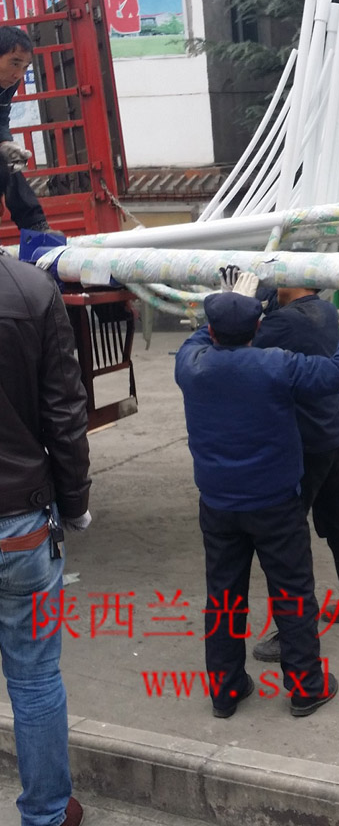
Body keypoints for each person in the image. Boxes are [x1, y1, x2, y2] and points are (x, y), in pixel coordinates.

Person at [174, 286, 339, 718]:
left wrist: (230, 299)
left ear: (212, 330)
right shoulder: (275, 366)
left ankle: (226, 690)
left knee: (223, 597)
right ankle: (306, 688)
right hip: (275, 503)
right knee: (293, 594)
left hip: (218, 504)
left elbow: (199, 335)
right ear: (257, 328)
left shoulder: (190, 364)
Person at [0, 250, 92, 826]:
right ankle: (48, 814)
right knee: (34, 678)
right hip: (20, 523)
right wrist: (75, 504)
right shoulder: (31, 289)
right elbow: (65, 412)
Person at [250, 282, 339, 664]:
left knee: (287, 538)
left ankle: (293, 634)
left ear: (292, 281)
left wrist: (242, 305)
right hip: (331, 433)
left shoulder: (283, 323)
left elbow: (235, 348)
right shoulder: (322, 310)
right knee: (337, 521)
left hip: (303, 443)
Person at [0, 26, 49, 231]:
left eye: (25, 67)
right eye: (14, 63)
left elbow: (1, 116)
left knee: (9, 163)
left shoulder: (9, 82)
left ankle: (36, 228)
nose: (18, 74)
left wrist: (6, 143)